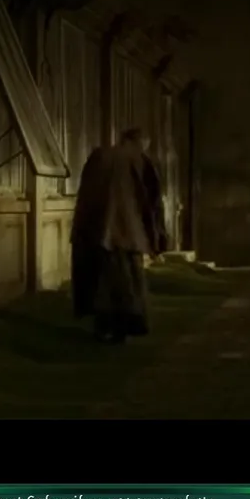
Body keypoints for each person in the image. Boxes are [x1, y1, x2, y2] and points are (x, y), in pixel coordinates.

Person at [70, 127, 167, 344]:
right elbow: (151, 201)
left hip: (95, 230)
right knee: (126, 284)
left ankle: (103, 326)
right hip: (127, 231)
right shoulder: (139, 160)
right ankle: (122, 328)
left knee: (100, 281)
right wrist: (156, 237)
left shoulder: (98, 156)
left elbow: (85, 194)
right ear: (138, 142)